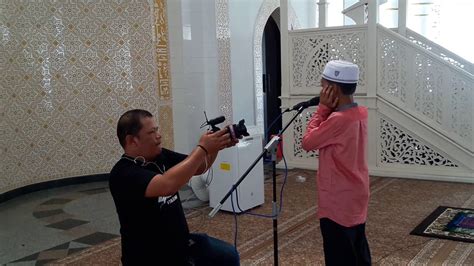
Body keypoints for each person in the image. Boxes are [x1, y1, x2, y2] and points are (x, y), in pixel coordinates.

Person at [109, 109, 240, 265]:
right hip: (148, 256)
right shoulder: (123, 173)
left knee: (229, 256)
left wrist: (217, 146)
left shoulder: (160, 155)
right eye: (152, 132)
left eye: (157, 130)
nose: (159, 135)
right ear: (132, 140)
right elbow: (166, 185)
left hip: (180, 244)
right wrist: (203, 148)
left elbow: (200, 167)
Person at [302, 60, 371, 265]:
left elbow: (307, 142)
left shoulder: (337, 120)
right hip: (357, 193)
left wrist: (322, 109)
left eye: (323, 86)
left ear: (332, 89)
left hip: (337, 200)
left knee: (339, 255)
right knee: (357, 249)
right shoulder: (361, 113)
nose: (321, 91)